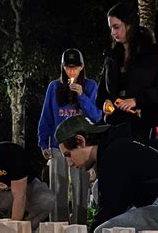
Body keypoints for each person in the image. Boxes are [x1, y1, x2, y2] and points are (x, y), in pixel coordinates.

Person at [54, 115, 158, 233]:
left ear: (80, 141)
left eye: (68, 154)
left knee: (103, 231)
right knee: (98, 191)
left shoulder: (113, 154)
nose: (70, 163)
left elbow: (112, 210)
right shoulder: (117, 146)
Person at [38, 48, 101, 224]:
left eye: (75, 67)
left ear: (82, 67)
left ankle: (79, 226)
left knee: (81, 189)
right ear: (63, 67)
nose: (71, 71)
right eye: (68, 67)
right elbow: (46, 118)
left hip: (81, 145)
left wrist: (82, 96)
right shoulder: (54, 86)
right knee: (58, 189)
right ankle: (59, 226)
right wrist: (43, 143)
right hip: (59, 145)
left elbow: (96, 116)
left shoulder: (90, 86)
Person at [97, 2, 158, 141]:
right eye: (111, 28)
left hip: (143, 124)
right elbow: (102, 91)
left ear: (130, 24)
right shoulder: (112, 57)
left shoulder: (153, 54)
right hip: (116, 123)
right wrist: (105, 102)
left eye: (116, 27)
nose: (113, 32)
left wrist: (137, 100)